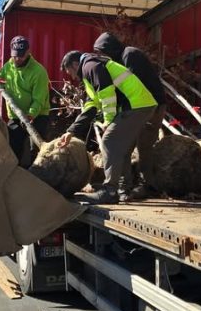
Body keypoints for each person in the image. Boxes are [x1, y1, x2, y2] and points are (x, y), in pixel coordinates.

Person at [58, 50, 156, 204]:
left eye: (70, 71)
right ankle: (123, 190)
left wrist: (108, 121)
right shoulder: (91, 67)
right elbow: (92, 105)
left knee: (109, 141)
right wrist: (71, 131)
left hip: (135, 105)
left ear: (75, 64)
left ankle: (109, 191)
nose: (72, 76)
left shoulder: (90, 66)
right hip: (139, 104)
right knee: (120, 146)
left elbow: (107, 93)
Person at [93, 32, 167, 195]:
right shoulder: (119, 59)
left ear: (109, 48)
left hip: (151, 106)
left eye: (102, 52)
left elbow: (134, 88)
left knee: (144, 145)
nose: (102, 56)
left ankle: (148, 186)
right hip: (138, 107)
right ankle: (127, 185)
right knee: (127, 145)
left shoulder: (130, 55)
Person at [0, 35, 50, 166]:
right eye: (15, 55)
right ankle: (13, 173)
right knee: (12, 146)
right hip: (16, 115)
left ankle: (38, 176)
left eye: (21, 55)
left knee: (36, 149)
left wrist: (31, 114)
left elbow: (39, 99)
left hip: (37, 115)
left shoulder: (39, 72)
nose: (17, 59)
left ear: (28, 52)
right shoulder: (8, 66)